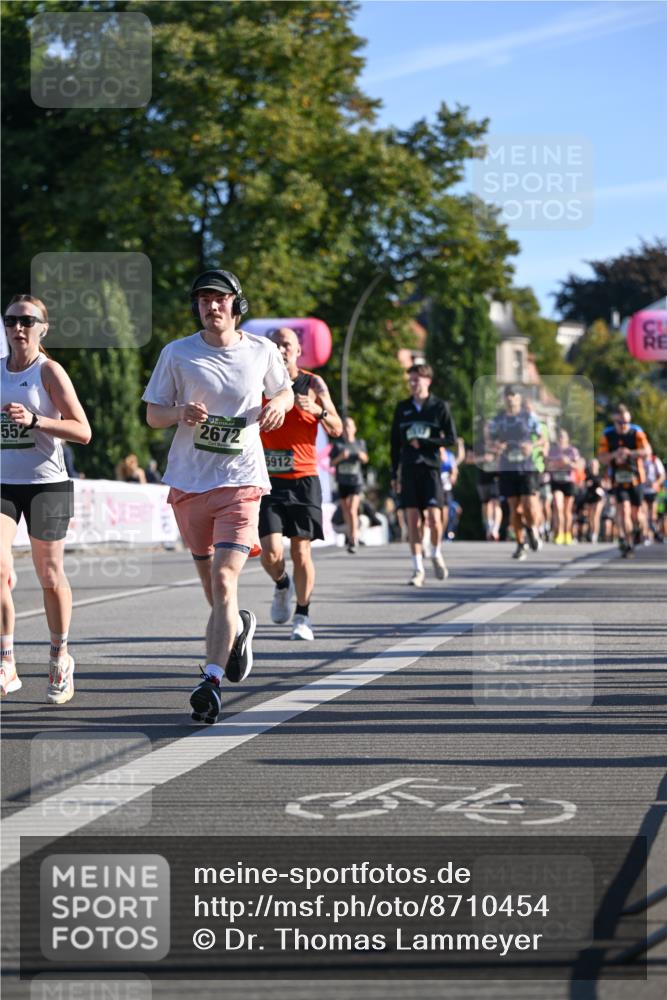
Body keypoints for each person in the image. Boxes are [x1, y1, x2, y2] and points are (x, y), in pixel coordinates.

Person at [143, 269, 293, 723]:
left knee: (226, 580)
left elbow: (284, 391)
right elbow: (152, 415)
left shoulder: (262, 351)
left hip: (242, 482)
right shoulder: (177, 354)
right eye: (204, 300)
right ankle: (239, 629)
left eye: (220, 299)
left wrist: (280, 406)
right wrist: (179, 413)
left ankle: (210, 680)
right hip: (189, 483)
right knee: (214, 590)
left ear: (236, 305)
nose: (212, 307)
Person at [1, 294, 91, 703]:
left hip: (47, 484)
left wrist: (36, 420)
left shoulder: (49, 371)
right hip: (3, 483)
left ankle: (59, 657)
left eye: (27, 321)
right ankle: (7, 662)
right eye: (11, 320)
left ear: (42, 328)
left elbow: (82, 430)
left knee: (49, 575)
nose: (18, 328)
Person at [259, 327, 342, 641]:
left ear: (298, 350)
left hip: (304, 479)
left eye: (287, 344)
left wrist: (318, 411)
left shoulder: (314, 382)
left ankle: (303, 616)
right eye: (275, 344)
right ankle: (282, 584)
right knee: (270, 552)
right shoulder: (259, 382)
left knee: (302, 552)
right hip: (268, 480)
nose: (281, 349)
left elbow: (337, 428)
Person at [390, 363, 457, 586]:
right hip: (409, 469)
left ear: (428, 380)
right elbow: (394, 444)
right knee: (412, 520)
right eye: (410, 380)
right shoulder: (402, 408)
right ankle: (417, 569)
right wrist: (394, 474)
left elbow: (451, 439)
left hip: (431, 468)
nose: (413, 384)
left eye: (417, 380)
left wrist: (427, 442)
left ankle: (436, 552)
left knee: (435, 520)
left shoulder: (439, 407)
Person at [486, 386, 546, 561]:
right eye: (507, 396)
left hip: (526, 466)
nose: (510, 399)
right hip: (507, 466)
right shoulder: (499, 420)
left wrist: (532, 446)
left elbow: (542, 438)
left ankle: (532, 528)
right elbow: (489, 439)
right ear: (504, 399)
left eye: (513, 395)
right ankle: (520, 544)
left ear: (519, 398)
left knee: (528, 505)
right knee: (513, 507)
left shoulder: (529, 417)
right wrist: (496, 446)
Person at [597, 404, 651, 558]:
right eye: (620, 423)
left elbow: (647, 452)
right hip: (618, 480)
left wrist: (630, 453)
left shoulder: (637, 433)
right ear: (615, 422)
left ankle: (639, 530)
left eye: (626, 422)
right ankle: (627, 542)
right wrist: (614, 455)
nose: (623, 426)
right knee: (623, 510)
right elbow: (601, 457)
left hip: (636, 478)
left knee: (636, 514)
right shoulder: (608, 435)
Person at [330, 417, 368, 552]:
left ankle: (353, 538)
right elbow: (331, 463)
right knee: (346, 510)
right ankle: (350, 534)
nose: (347, 429)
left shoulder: (360, 443)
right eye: (344, 426)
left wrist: (362, 456)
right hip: (342, 481)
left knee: (352, 509)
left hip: (356, 481)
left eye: (349, 426)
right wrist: (341, 457)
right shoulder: (338, 445)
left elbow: (365, 459)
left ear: (354, 429)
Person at [547, 428, 583, 544]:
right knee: (558, 507)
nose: (561, 439)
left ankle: (568, 533)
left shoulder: (572, 451)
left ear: (567, 439)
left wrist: (568, 463)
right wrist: (555, 464)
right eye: (559, 437)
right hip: (556, 481)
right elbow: (546, 466)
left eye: (563, 437)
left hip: (569, 482)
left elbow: (578, 466)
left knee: (567, 510)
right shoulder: (552, 451)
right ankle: (559, 533)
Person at [643, 452, 665, 543]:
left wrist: (657, 483)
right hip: (642, 491)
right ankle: (646, 535)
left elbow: (662, 475)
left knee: (653, 515)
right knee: (643, 514)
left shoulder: (654, 460)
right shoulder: (637, 460)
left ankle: (654, 534)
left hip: (653, 491)